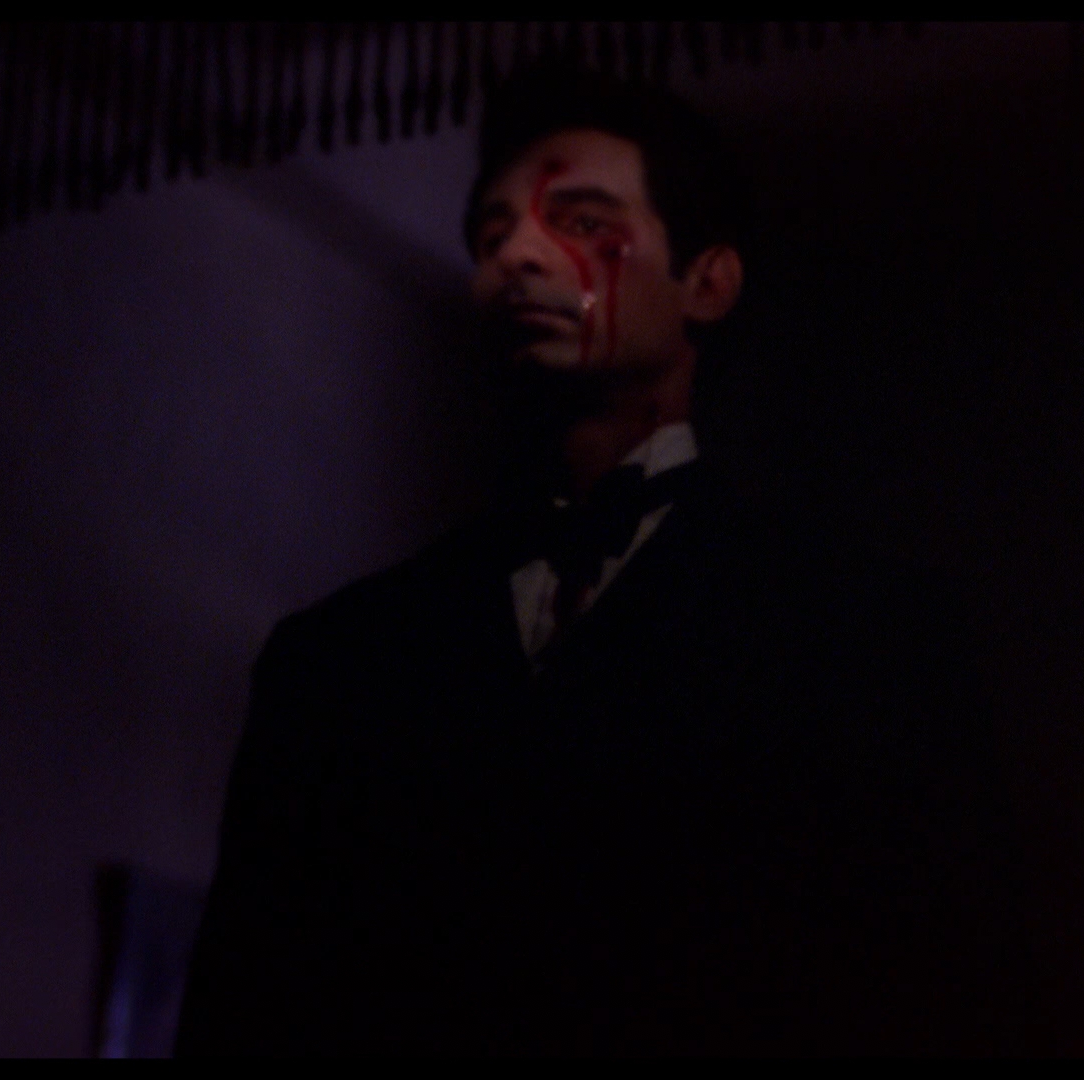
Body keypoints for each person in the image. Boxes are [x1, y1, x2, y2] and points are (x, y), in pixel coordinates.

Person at [175, 64, 1040, 1055]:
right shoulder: (333, 661)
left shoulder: (868, 639)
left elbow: (959, 996)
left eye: (583, 223)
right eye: (492, 235)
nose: (519, 258)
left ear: (708, 281)